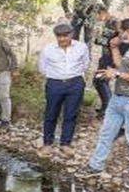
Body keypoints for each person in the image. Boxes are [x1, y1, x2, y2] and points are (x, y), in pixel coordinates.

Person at [77, 19, 129, 189]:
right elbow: (121, 66)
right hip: (118, 98)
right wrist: (114, 48)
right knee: (106, 134)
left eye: (121, 32)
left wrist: (117, 75)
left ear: (128, 31)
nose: (119, 35)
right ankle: (95, 165)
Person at [38, 22, 90, 158]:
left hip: (75, 83)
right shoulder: (48, 49)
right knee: (51, 114)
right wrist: (57, 76)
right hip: (54, 84)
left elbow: (85, 64)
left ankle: (65, 144)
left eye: (65, 36)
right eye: (59, 36)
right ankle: (47, 144)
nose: (62, 39)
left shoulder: (81, 47)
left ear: (71, 35)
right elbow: (42, 68)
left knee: (71, 114)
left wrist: (73, 76)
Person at [92, 6, 129, 118]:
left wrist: (101, 40)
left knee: (100, 80)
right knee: (99, 81)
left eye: (96, 15)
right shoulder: (106, 23)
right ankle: (105, 106)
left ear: (102, 12)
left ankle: (108, 108)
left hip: (112, 56)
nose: (95, 18)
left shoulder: (115, 22)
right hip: (106, 55)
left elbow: (122, 39)